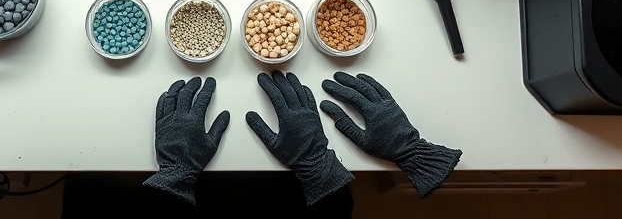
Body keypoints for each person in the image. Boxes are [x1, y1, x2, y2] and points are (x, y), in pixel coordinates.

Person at [62, 71, 461, 218]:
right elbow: (338, 212)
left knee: (84, 181)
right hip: (289, 198)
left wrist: (176, 173)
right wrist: (410, 151)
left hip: (182, 199)